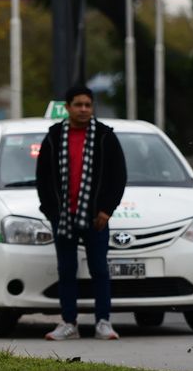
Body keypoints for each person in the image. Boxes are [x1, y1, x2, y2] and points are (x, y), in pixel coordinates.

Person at [36, 84, 128, 340]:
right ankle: (68, 323)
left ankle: (103, 322)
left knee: (99, 268)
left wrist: (107, 210)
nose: (84, 109)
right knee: (66, 269)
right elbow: (42, 176)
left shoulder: (105, 136)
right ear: (67, 108)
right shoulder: (54, 136)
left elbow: (118, 176)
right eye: (78, 104)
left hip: (96, 218)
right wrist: (51, 211)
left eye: (88, 105)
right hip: (63, 217)